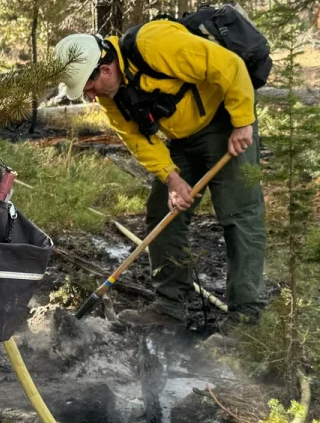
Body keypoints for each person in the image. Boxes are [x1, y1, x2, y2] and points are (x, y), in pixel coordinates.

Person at [52, 21, 266, 327]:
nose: (89, 97)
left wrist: (243, 121)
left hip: (225, 121)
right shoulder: (110, 98)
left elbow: (229, 66)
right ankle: (170, 307)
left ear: (105, 70)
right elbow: (138, 139)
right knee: (162, 209)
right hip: (183, 138)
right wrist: (172, 178)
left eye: (89, 87)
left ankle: (246, 318)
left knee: (239, 214)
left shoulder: (155, 44)